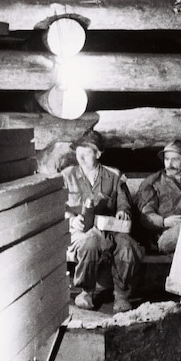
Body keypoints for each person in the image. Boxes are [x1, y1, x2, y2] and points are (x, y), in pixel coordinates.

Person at [61, 130, 144, 313]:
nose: (81, 155)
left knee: (127, 246)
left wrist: (123, 212)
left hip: (109, 228)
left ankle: (122, 295)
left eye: (87, 151)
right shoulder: (68, 176)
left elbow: (123, 202)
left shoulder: (113, 176)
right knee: (89, 242)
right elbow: (59, 208)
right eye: (78, 150)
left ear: (98, 154)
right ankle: (86, 292)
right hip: (80, 230)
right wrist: (71, 220)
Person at [136, 140, 181, 254]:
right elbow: (145, 216)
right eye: (167, 159)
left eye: (175, 159)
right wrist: (164, 222)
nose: (169, 164)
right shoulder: (153, 183)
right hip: (163, 237)